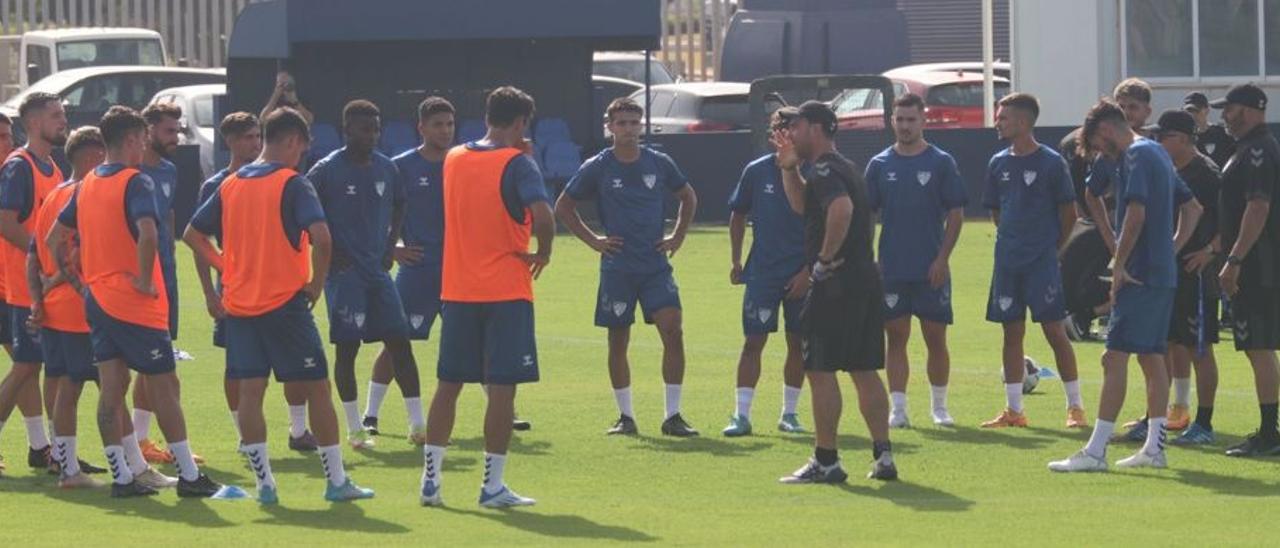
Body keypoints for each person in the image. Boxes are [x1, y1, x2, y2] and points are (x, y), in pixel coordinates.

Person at [185, 106, 374, 504]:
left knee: (251, 393)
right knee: (318, 388)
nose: (301, 157)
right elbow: (322, 238)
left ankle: (265, 485)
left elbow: (191, 234)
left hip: (239, 306)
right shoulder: (293, 183)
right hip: (284, 305)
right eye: (302, 149)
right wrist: (316, 284)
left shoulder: (231, 183)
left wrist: (228, 268)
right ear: (292, 141)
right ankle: (336, 481)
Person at [50, 106, 222, 496]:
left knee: (112, 388)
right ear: (131, 140)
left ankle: (123, 478)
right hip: (133, 303)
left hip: (98, 299)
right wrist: (144, 280)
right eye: (143, 139)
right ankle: (190, 478)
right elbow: (148, 233)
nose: (145, 145)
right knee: (164, 384)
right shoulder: (136, 181)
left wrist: (82, 284)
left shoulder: (89, 181)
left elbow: (54, 239)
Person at [1050, 99, 1203, 472]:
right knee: (1151, 358)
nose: (1101, 153)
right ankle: (1154, 448)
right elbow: (1192, 208)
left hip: (1141, 275)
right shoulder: (1152, 154)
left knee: (1113, 356)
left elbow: (1136, 212)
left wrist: (1119, 260)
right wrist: (1163, 249)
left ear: (1105, 131)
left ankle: (1096, 451)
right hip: (1155, 272)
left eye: (1099, 145)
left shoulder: (1136, 155)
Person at [419, 86, 553, 508]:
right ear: (520, 123)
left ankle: (431, 482)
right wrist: (543, 252)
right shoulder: (518, 162)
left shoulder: (455, 157)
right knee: (501, 389)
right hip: (506, 290)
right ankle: (491, 486)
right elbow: (543, 213)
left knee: (448, 385)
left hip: (457, 288)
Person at [556, 97, 700, 437]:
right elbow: (564, 206)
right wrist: (595, 241)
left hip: (654, 265)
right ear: (610, 127)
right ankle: (625, 417)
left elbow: (688, 196)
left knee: (673, 330)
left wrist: (677, 235)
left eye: (634, 123)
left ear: (642, 126)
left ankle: (673, 415)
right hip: (618, 267)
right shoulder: (598, 166)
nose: (628, 129)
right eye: (621, 123)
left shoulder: (659, 162)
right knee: (618, 340)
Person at [771, 101, 897, 483]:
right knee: (863, 369)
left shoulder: (825, 169)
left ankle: (826, 460)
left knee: (820, 370)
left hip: (836, 283)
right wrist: (789, 168)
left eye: (796, 126)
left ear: (817, 128)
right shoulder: (839, 167)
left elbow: (839, 210)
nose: (790, 133)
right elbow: (801, 206)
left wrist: (823, 261)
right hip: (863, 280)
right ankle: (884, 456)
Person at [194, 112, 317, 452]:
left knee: (293, 369)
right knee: (240, 370)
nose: (252, 143)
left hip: (278, 288)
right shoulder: (218, 184)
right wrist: (211, 287)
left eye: (255, 136)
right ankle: (243, 437)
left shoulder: (285, 179)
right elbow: (197, 239)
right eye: (246, 137)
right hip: (237, 290)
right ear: (230, 142)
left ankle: (298, 430)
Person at [308, 100, 423, 448]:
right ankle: (355, 427)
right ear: (347, 131)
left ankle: (418, 424)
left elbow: (401, 203)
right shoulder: (326, 170)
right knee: (347, 349)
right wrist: (330, 251)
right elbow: (303, 212)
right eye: (364, 129)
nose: (371, 135)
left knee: (400, 343)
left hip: (376, 272)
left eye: (375, 128)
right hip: (344, 276)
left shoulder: (387, 169)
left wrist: (391, 243)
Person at [979, 93, 1087, 429]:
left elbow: (1069, 213)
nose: (998, 122)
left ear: (1024, 122)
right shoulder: (998, 162)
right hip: (1008, 262)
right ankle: (1014, 410)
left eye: (1003, 117)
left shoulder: (1052, 163)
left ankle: (1076, 408)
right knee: (1011, 333)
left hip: (1042, 262)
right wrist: (1014, 242)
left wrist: (1052, 249)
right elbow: (998, 212)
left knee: (1054, 331)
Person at [864, 93, 966, 428]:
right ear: (892, 121)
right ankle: (898, 408)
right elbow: (867, 214)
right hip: (892, 267)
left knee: (935, 337)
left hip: (930, 267)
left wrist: (943, 258)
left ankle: (939, 407)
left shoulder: (941, 162)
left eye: (911, 119)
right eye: (900, 119)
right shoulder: (879, 164)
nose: (905, 126)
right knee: (895, 336)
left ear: (924, 120)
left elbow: (956, 212)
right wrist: (870, 257)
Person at [30, 126, 110, 487]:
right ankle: (127, 465)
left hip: (53, 310)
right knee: (110, 384)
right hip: (79, 308)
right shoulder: (84, 195)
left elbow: (34, 254)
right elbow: (74, 253)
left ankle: (66, 465)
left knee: (64, 386)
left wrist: (38, 297)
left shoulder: (53, 196)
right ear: (94, 156)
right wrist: (58, 282)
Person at [723, 110, 807, 437]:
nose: (786, 136)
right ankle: (741, 415)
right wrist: (736, 260)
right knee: (752, 342)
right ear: (772, 133)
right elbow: (737, 214)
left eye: (792, 130)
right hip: (763, 272)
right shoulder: (756, 172)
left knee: (798, 343)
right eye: (780, 130)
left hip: (801, 272)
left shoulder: (813, 170)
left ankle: (790, 413)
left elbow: (824, 224)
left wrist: (809, 271)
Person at [1144, 109, 1221, 445]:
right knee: (1166, 343)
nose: (1158, 141)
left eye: (1165, 136)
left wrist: (1211, 252)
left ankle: (1204, 424)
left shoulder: (1205, 173)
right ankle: (1157, 419)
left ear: (1185, 139)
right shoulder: (1167, 168)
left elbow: (1228, 219)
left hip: (1196, 272)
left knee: (1198, 347)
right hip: (1169, 269)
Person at [1213, 83, 1280, 457]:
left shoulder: (1257, 150)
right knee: (1258, 345)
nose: (1225, 115)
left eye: (1231, 108)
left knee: (1259, 345)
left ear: (1252, 109)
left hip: (1257, 263)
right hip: (1257, 261)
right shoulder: (1249, 148)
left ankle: (1270, 434)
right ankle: (1270, 432)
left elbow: (1258, 207)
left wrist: (1235, 260)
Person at [0, 92, 66, 474]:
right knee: (26, 366)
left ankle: (50, 450)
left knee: (36, 366)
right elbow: (6, 222)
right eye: (56, 115)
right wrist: (42, 254)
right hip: (24, 288)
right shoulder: (19, 167)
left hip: (45, 286)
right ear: (35, 123)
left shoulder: (52, 167)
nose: (63, 120)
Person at [131, 102, 199, 465]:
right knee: (153, 366)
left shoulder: (171, 171)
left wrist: (169, 262)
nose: (176, 138)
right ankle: (139, 446)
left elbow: (168, 217)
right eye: (169, 131)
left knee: (152, 363)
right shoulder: (131, 171)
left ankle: (141, 440)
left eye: (178, 130)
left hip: (166, 278)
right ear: (148, 131)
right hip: (138, 283)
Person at [1184, 92, 1236, 169]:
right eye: (1189, 111)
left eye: (1196, 111)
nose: (1193, 115)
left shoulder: (1221, 133)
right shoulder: (1183, 138)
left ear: (1207, 110)